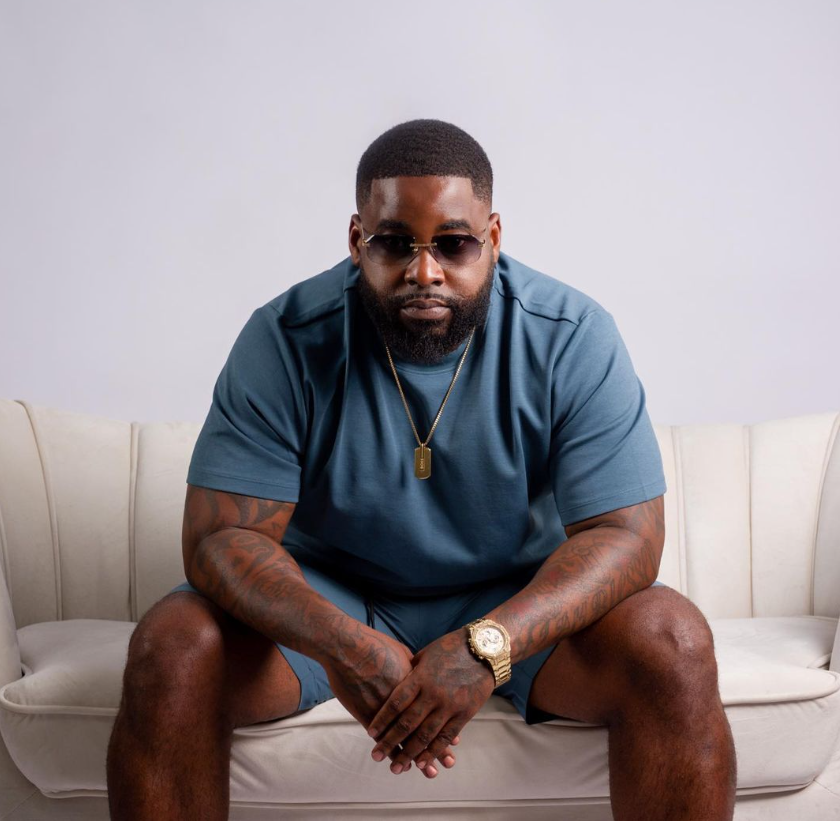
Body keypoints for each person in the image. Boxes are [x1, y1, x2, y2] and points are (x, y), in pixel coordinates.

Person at [106, 118, 737, 820]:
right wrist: (342, 643)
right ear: (357, 241)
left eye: (454, 244)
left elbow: (629, 536)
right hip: (331, 599)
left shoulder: (571, 335)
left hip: (514, 600)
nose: (425, 272)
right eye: (394, 243)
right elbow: (219, 538)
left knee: (673, 641)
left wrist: (487, 646)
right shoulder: (284, 338)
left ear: (493, 237)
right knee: (172, 648)